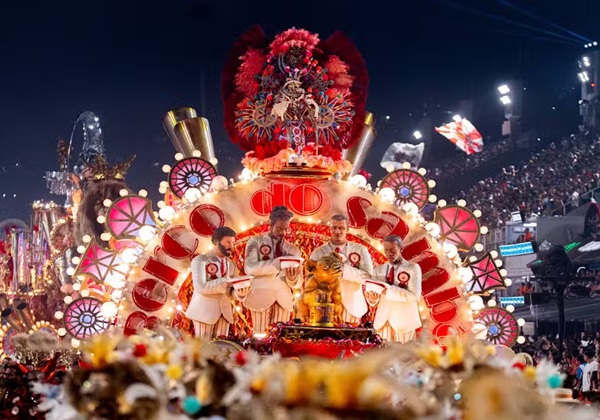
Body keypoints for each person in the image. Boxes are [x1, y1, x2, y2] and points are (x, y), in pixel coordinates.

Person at [244, 206, 302, 335]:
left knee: (280, 339)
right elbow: (249, 268)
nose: (283, 233)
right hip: (259, 298)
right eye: (279, 228)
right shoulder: (255, 242)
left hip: (284, 299)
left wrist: (293, 279)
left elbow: (299, 283)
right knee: (259, 339)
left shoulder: (293, 249)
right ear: (270, 224)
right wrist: (278, 263)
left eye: (286, 229)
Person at [309, 214, 373, 325]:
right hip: (326, 308)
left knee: (352, 336)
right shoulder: (318, 252)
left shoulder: (360, 249)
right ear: (329, 229)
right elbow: (310, 281)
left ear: (347, 229)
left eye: (341, 228)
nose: (337, 231)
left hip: (352, 306)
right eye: (334, 227)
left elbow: (368, 277)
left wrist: (343, 271)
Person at [185, 227, 247, 340]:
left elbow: (232, 289)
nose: (231, 246)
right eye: (228, 242)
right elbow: (200, 287)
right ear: (216, 241)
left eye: (233, 243)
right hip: (204, 313)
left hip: (225, 314)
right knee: (204, 348)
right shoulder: (200, 260)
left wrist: (240, 293)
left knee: (221, 348)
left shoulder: (232, 264)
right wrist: (225, 281)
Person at [371, 235, 422, 343]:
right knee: (380, 353)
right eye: (386, 250)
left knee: (404, 353)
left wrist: (389, 290)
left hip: (404, 324)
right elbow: (373, 297)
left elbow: (414, 296)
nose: (389, 253)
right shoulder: (378, 270)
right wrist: (372, 299)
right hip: (382, 323)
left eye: (393, 250)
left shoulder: (413, 268)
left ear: (401, 248)